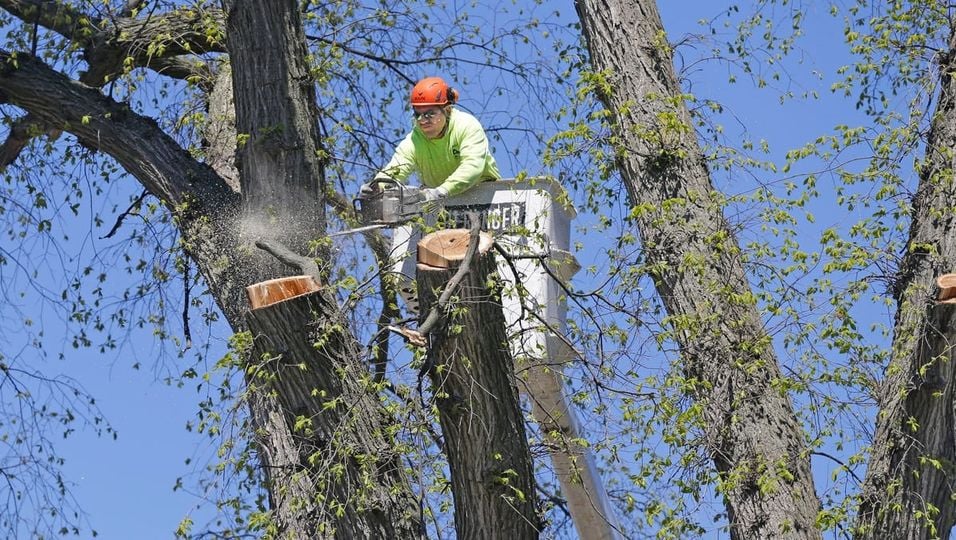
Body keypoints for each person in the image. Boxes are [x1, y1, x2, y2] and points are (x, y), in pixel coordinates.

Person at [364, 76, 501, 316]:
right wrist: (377, 186)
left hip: (479, 199)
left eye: (429, 114)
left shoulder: (466, 127)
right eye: (417, 114)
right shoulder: (415, 140)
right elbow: (397, 166)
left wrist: (441, 190)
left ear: (446, 110)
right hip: (436, 203)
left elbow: (473, 166)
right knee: (403, 268)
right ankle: (423, 310)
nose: (422, 120)